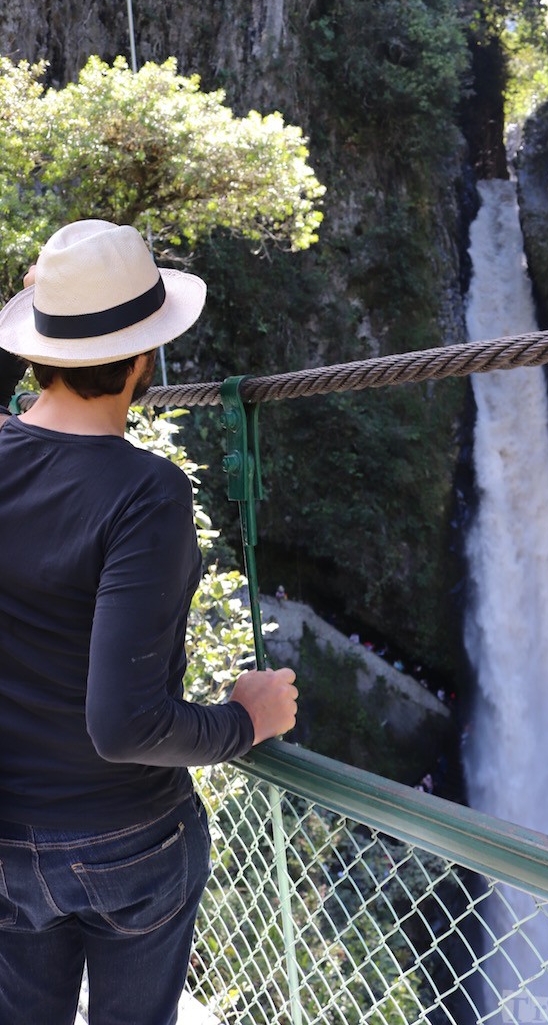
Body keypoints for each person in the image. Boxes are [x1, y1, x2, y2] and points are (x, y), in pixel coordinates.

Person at [0, 219, 298, 1025]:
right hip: (125, 842)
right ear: (143, 361)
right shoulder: (146, 494)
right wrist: (245, 720)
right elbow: (124, 727)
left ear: (40, 353)